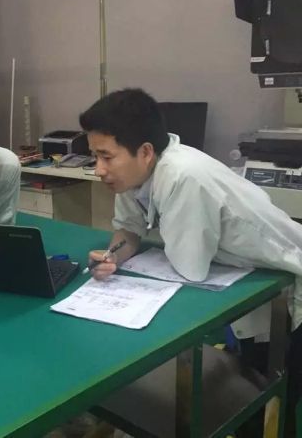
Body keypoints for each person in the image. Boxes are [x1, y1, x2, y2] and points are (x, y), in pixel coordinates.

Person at [79, 88, 302, 424]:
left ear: (145, 151)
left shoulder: (184, 176)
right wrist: (113, 256)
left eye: (106, 157)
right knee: (255, 378)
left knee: (279, 398)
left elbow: (191, 269)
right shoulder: (134, 174)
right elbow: (129, 230)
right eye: (94, 156)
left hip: (288, 273)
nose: (98, 169)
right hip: (251, 272)